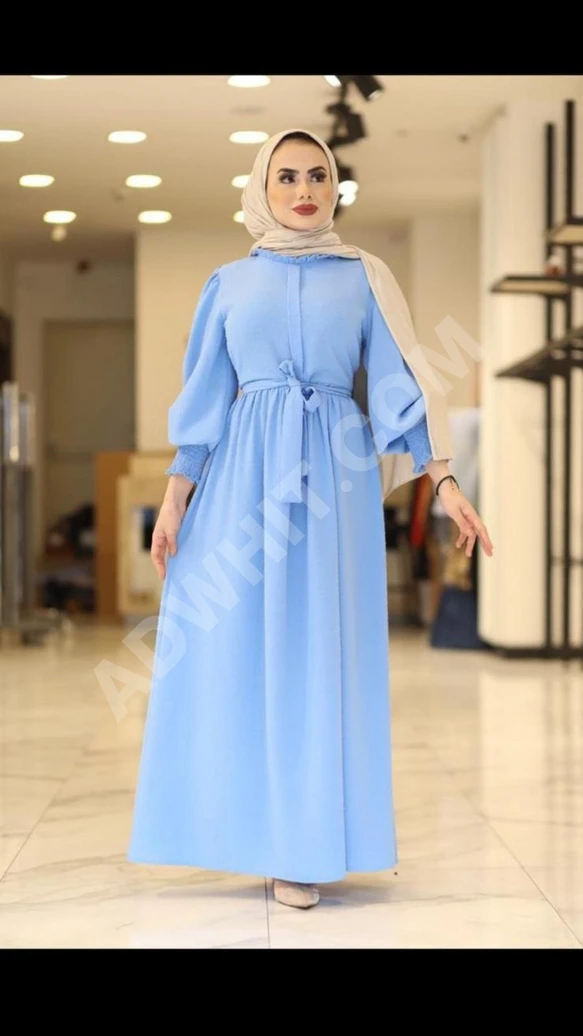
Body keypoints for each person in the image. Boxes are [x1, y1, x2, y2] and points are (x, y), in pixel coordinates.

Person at [128, 129, 493, 910]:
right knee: (233, 651)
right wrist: (174, 498)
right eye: (287, 176)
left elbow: (400, 386)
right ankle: (243, 834)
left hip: (332, 477)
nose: (304, 190)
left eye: (318, 176)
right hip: (240, 477)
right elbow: (204, 396)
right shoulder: (228, 282)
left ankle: (304, 844)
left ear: (335, 187)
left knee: (320, 653)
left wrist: (446, 480)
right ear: (261, 188)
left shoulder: (364, 276)